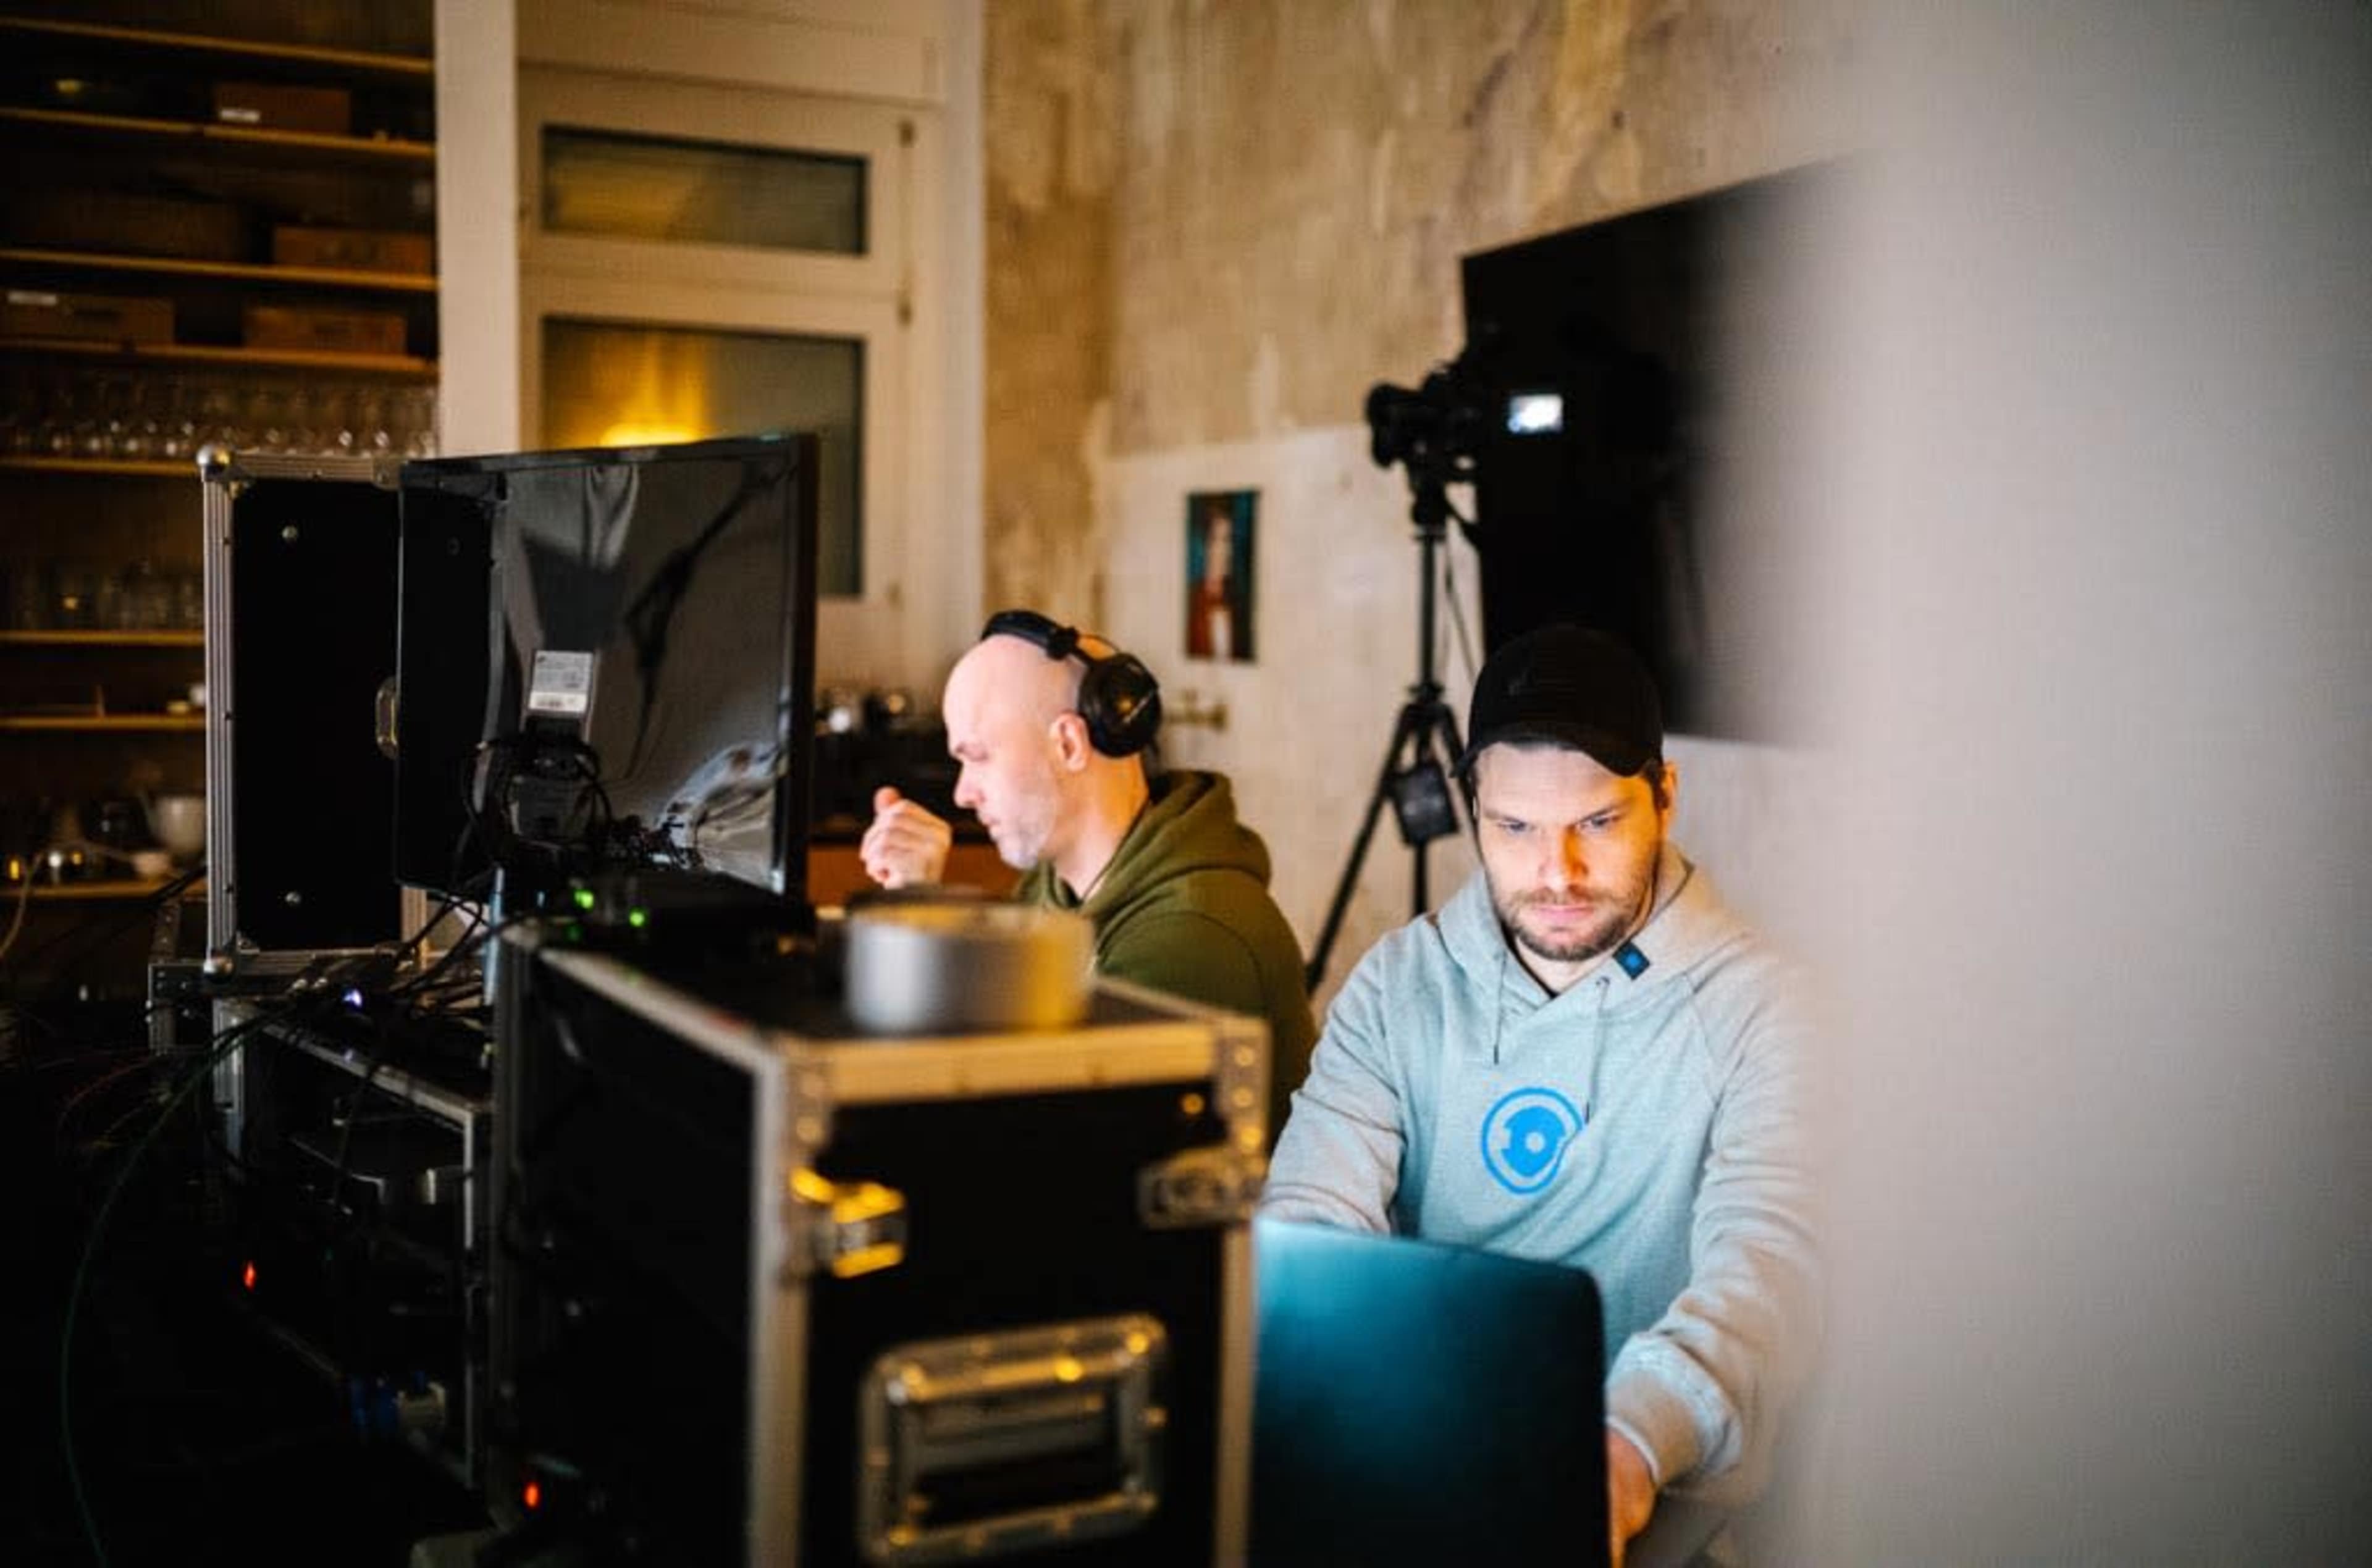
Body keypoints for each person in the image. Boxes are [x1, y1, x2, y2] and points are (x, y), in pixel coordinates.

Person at [1261, 623, 1819, 1568]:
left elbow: (1765, 1269)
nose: (1556, 872)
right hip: (1419, 1472)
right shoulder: (1398, 984)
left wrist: (1628, 1445)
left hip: (1652, 1507)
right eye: (1514, 827)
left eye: (1596, 822)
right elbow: (1311, 1222)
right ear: (1475, 806)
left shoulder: (1765, 1008)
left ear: (1665, 796)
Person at [862, 609, 1316, 1140]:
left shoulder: (1195, 934)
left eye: (978, 757)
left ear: (1070, 745)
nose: (963, 793)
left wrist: (923, 919)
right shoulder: (1054, 887)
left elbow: (1034, 1130)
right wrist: (919, 906)